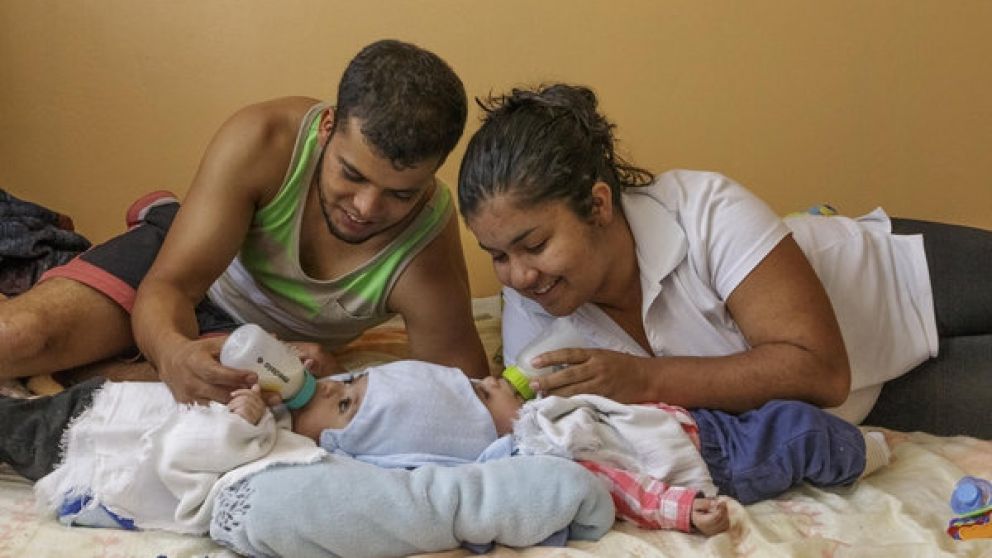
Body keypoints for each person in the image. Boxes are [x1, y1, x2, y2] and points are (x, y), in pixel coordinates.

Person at [456, 83, 992, 437]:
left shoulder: (705, 209)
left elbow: (817, 367)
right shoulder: (531, 310)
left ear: (597, 204)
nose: (520, 276)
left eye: (535, 245)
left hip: (901, 283)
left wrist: (644, 380)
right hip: (860, 403)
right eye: (497, 256)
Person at [0, 39, 489, 404]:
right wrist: (172, 354)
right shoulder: (263, 141)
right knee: (18, 339)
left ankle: (111, 362)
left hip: (257, 346)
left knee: (193, 405)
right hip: (182, 270)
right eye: (351, 174)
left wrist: (344, 379)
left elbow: (463, 395)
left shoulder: (425, 244)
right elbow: (169, 286)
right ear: (325, 128)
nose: (365, 207)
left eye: (400, 194)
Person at [1, 367, 614, 552]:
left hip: (85, 447)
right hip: (116, 403)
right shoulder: (282, 419)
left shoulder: (282, 481)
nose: (325, 386)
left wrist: (240, 431)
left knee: (17, 425)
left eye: (346, 403)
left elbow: (435, 501)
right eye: (351, 377)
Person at [316, 361, 890, 536]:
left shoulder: (536, 413)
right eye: (480, 392)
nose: (494, 379)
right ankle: (865, 453)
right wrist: (683, 511)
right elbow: (616, 486)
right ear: (472, 431)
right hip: (716, 462)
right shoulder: (542, 451)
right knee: (797, 431)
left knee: (775, 413)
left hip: (691, 423)